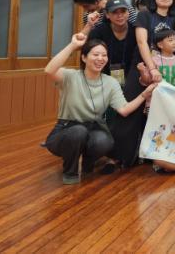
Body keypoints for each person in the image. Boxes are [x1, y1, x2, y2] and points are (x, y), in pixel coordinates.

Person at [44, 33, 156, 184]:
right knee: (78, 131)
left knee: (104, 141)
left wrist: (144, 94)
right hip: (66, 129)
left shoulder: (110, 82)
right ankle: (70, 172)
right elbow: (49, 70)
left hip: (93, 128)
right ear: (84, 58)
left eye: (104, 55)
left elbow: (124, 110)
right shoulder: (71, 76)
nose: (100, 58)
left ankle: (88, 163)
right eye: (95, 54)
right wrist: (73, 45)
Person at [108, 0, 175, 168]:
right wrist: (152, 69)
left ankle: (155, 155)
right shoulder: (145, 15)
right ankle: (120, 155)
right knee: (132, 109)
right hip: (142, 66)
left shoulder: (174, 17)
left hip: (167, 69)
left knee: (161, 112)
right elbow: (141, 42)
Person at [87, 0, 137, 87]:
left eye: (123, 11)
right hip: (102, 77)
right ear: (107, 15)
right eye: (114, 12)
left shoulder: (136, 31)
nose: (120, 15)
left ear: (128, 13)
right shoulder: (98, 32)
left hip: (132, 78)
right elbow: (90, 55)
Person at [73, 0, 137, 34]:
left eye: (86, 6)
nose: (85, 9)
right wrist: (89, 24)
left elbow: (136, 27)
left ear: (96, 1)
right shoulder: (88, 16)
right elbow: (88, 37)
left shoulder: (122, 7)